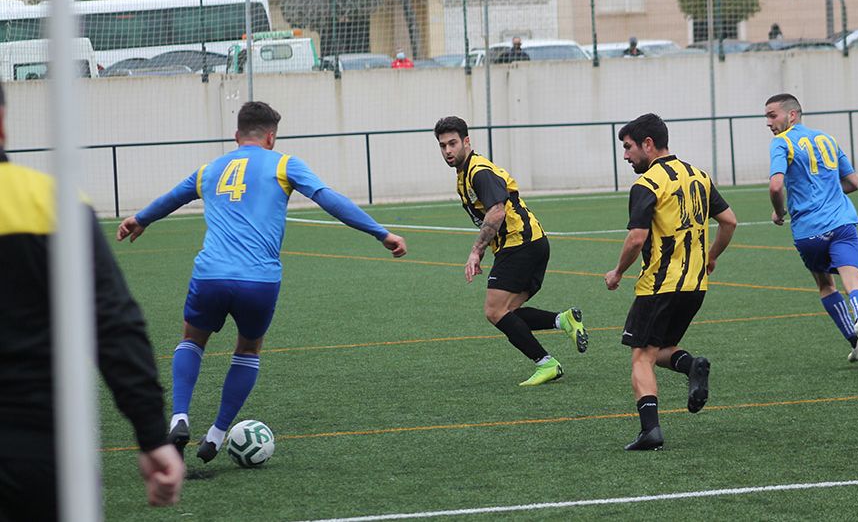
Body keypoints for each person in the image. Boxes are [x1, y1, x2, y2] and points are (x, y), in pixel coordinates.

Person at [117, 101, 407, 463]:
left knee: (192, 340)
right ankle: (217, 435)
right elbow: (328, 199)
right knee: (248, 350)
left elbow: (172, 198)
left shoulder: (209, 170)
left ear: (236, 135)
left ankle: (179, 417)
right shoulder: (285, 163)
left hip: (211, 274)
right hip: (258, 280)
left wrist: (139, 219)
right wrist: (381, 233)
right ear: (271, 137)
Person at [0, 83, 184, 519]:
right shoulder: (50, 203)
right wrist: (152, 435)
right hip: (39, 453)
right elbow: (114, 324)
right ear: (4, 123)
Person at [604, 113, 737, 451]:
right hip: (695, 286)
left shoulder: (647, 183)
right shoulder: (698, 176)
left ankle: (651, 431)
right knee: (659, 349)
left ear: (648, 144)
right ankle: (692, 365)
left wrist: (618, 272)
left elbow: (636, 238)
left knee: (641, 357)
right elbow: (729, 222)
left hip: (659, 287)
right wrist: (710, 257)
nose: (625, 155)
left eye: (629, 147)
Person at [434, 116, 588, 386]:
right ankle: (563, 320)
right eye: (443, 145)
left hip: (520, 246)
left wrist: (475, 251)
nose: (448, 150)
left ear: (466, 142)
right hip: (529, 245)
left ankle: (546, 363)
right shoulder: (465, 173)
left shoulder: (479, 171)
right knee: (509, 313)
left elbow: (496, 211)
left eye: (453, 143)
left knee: (495, 311)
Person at [765, 93, 858, 366]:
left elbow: (775, 185)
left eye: (772, 115)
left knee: (826, 285)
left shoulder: (781, 142)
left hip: (809, 231)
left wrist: (780, 211)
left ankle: (856, 344)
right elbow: (853, 182)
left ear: (792, 115)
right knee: (854, 281)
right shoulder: (827, 138)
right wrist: (829, 193)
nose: (768, 122)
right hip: (842, 223)